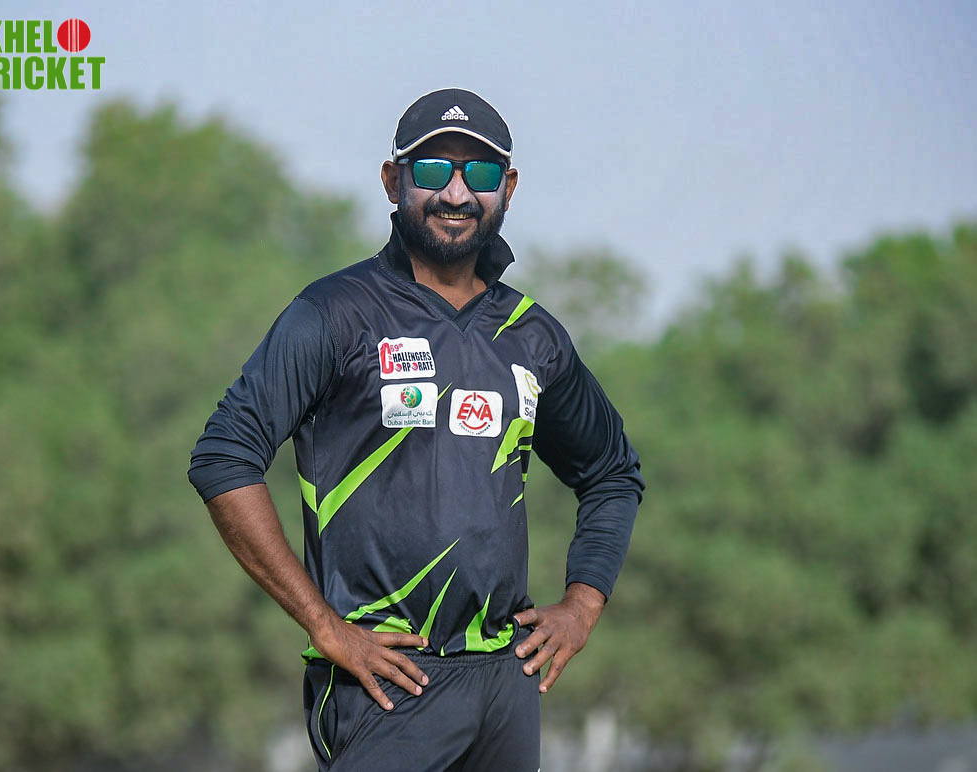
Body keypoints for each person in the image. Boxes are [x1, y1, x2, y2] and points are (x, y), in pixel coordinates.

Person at [188, 87, 645, 771]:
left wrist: (582, 606)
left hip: (506, 684)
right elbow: (224, 458)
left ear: (508, 188)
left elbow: (612, 474)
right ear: (392, 180)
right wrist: (324, 626)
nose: (456, 193)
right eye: (433, 169)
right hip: (386, 680)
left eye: (479, 173)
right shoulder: (335, 313)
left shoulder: (533, 336)